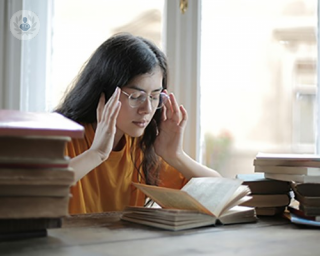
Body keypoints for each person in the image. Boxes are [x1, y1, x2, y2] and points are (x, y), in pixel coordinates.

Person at [55, 33, 221, 215]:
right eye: (136, 97)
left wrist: (175, 155)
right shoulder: (61, 136)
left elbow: (218, 193)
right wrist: (97, 153)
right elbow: (35, 189)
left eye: (155, 96)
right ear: (104, 93)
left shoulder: (140, 145)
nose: (147, 109)